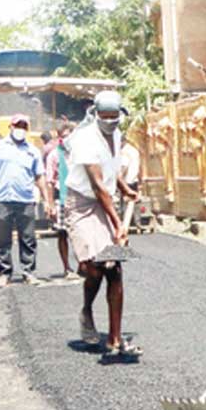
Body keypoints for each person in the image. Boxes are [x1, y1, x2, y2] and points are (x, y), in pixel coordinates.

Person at [64, 90, 142, 357]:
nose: (110, 122)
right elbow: (97, 186)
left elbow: (111, 169)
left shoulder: (117, 134)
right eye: (104, 117)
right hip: (83, 205)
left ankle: (115, 339)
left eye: (114, 117)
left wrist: (125, 188)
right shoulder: (84, 139)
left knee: (114, 269)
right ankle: (86, 310)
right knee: (94, 267)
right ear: (95, 114)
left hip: (106, 202)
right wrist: (119, 224)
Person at [0, 114, 55, 288]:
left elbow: (39, 176)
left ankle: (29, 272)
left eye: (24, 126)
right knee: (3, 239)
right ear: (10, 127)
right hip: (2, 200)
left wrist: (48, 200)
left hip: (25, 200)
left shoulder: (32, 151)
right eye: (18, 125)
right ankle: (4, 274)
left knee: (28, 238)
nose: (20, 129)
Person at [46, 122, 79, 279]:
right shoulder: (54, 155)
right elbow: (50, 181)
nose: (66, 140)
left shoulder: (79, 153)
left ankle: (83, 264)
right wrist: (50, 204)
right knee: (62, 233)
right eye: (63, 137)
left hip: (79, 197)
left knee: (80, 233)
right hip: (61, 197)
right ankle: (67, 267)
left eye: (68, 136)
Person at [119, 140, 140, 226]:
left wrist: (119, 178)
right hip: (134, 179)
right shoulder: (134, 150)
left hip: (127, 181)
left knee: (125, 202)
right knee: (133, 201)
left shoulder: (125, 152)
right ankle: (137, 221)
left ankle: (126, 223)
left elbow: (124, 166)